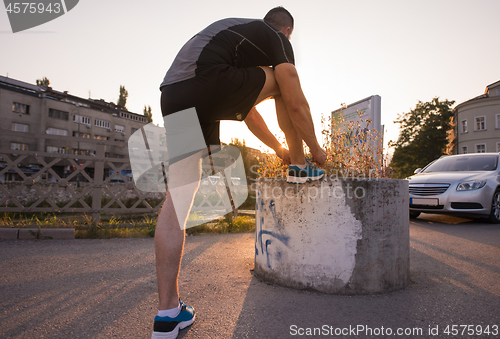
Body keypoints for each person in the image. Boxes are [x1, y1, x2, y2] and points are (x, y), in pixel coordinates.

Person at [152, 7, 327, 339]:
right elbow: (293, 99)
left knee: (178, 199)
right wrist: (315, 150)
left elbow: (246, 110)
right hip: (206, 80)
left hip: (173, 94)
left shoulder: (239, 41)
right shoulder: (275, 37)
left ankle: (168, 314)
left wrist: (277, 148)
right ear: (287, 31)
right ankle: (300, 168)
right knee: (284, 81)